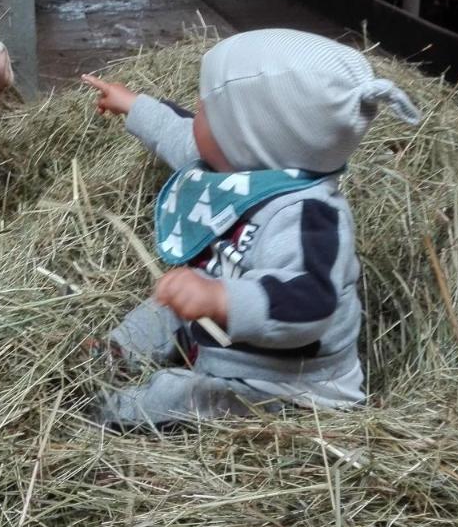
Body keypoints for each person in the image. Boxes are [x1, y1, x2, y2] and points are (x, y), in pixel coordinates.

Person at [81, 29, 421, 428]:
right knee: (161, 308)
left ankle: (98, 412)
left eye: (207, 109)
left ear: (249, 136)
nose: (195, 110)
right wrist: (134, 106)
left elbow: (309, 304)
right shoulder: (240, 165)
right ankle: (110, 358)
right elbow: (179, 134)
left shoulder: (309, 216)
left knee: (174, 394)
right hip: (221, 338)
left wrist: (220, 298)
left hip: (281, 388)